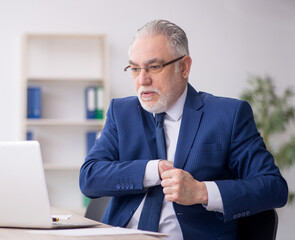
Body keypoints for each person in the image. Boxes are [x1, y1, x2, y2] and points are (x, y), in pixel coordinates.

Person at [79, 19, 288, 240]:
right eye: (134, 68)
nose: (142, 79)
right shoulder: (122, 112)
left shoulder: (228, 115)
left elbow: (273, 187)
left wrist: (201, 192)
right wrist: (152, 170)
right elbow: (89, 177)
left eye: (154, 67)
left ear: (184, 67)